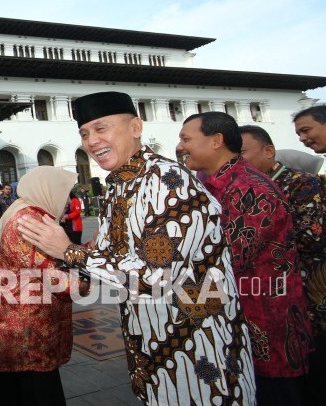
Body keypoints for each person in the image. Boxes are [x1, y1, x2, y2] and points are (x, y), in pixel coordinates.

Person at [17, 91, 255, 405]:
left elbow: (155, 278)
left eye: (102, 129)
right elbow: (110, 262)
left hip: (200, 353)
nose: (91, 141)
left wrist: (68, 251)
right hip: (151, 350)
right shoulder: (119, 186)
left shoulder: (169, 182)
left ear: (136, 128)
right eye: (85, 134)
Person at [177, 112, 312, 405]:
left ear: (216, 141)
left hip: (268, 329)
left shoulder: (250, 190)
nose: (180, 146)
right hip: (240, 324)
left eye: (186, 139)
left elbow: (225, 261)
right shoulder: (217, 186)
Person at [240, 124, 326, 403]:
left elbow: (311, 238)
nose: (238, 162)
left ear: (269, 150)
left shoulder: (303, 183)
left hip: (307, 294)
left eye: (242, 153)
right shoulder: (245, 189)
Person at [0, 166, 79, 405]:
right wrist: (91, 273)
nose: (67, 200)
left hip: (18, 316)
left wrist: (82, 252)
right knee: (32, 389)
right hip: (25, 325)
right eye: (64, 192)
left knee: (11, 386)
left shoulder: (27, 211)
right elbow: (56, 279)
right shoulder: (30, 221)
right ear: (48, 189)